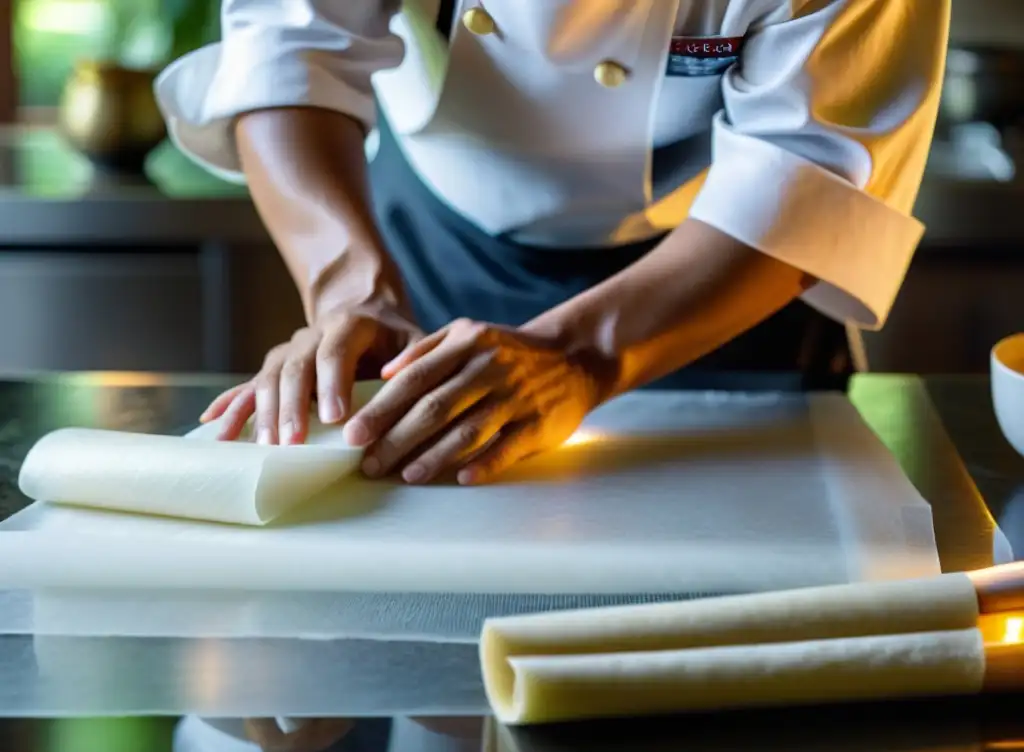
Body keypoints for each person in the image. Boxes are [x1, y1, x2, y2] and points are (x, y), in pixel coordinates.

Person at [156, 0, 950, 488]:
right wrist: (347, 291)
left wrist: (582, 355)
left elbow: (812, 169)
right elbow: (291, 50)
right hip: (426, 241)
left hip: (726, 279)